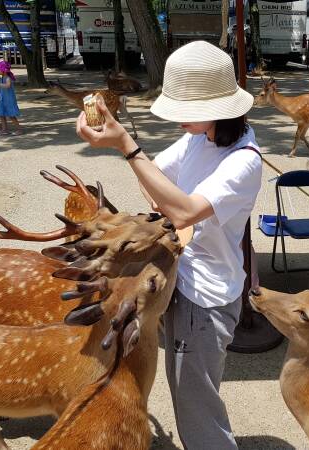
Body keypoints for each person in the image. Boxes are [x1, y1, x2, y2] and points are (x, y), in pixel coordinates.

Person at [75, 40, 260, 450]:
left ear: (217, 108)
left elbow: (184, 211)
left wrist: (127, 146)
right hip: (181, 276)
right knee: (186, 394)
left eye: (186, 111)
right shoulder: (202, 137)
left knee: (196, 404)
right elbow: (156, 181)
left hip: (207, 295)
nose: (180, 120)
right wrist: (122, 146)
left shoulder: (243, 159)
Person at [0, 60, 21, 136]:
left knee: (11, 115)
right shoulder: (3, 77)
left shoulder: (7, 78)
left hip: (9, 100)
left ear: (4, 70)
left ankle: (19, 130)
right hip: (2, 99)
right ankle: (4, 130)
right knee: (2, 114)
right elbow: (2, 88)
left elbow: (7, 86)